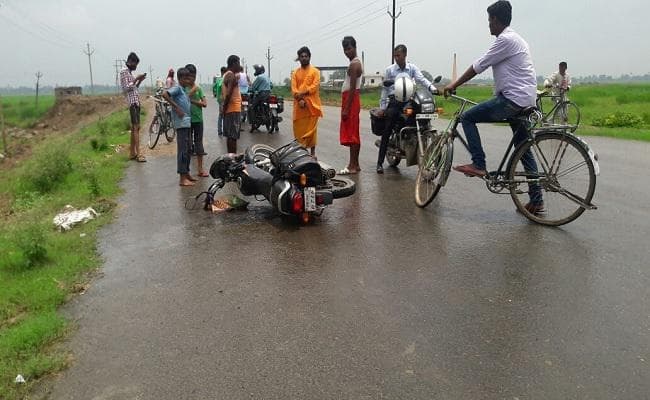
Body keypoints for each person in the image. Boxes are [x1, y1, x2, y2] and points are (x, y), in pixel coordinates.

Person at [443, 0, 543, 214]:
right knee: (523, 148)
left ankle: (478, 164)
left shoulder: (505, 39)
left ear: (496, 20)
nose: (488, 24)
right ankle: (536, 200)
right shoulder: (516, 39)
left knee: (467, 118)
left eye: (489, 20)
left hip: (512, 100)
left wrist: (453, 84)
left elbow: (479, 65)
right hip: (524, 100)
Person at [376, 44, 437, 173]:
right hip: (395, 100)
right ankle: (379, 163)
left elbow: (422, 80)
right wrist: (383, 107)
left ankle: (411, 139)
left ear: (405, 55)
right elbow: (385, 89)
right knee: (388, 128)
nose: (396, 58)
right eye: (395, 56)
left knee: (417, 117)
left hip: (408, 100)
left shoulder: (412, 68)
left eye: (398, 55)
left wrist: (433, 88)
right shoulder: (390, 70)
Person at [162, 67, 194, 186]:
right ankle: (182, 178)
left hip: (187, 123)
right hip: (181, 124)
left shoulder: (184, 90)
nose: (188, 81)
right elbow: (165, 94)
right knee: (183, 151)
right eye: (186, 78)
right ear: (180, 79)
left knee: (189, 149)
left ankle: (187, 173)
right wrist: (176, 107)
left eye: (189, 78)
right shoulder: (177, 88)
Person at [291, 46, 323, 157]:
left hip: (312, 106)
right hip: (299, 107)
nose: (304, 58)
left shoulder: (315, 72)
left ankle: (313, 154)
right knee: (299, 130)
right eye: (302, 56)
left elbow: (314, 86)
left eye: (306, 56)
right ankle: (302, 154)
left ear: (309, 57)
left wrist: (303, 94)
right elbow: (294, 89)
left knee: (312, 131)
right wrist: (299, 99)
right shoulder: (295, 73)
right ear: (299, 58)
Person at [338, 36, 363, 175]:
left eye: (349, 48)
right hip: (350, 99)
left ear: (355, 47)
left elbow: (352, 88)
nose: (347, 52)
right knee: (354, 132)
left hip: (351, 100)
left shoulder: (354, 64)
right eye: (345, 49)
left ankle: (352, 165)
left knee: (352, 133)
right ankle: (355, 164)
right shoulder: (355, 63)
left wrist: (346, 109)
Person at [119, 52, 147, 163]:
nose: (136, 67)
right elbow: (126, 88)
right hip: (132, 103)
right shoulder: (124, 71)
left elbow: (134, 88)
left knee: (135, 128)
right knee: (136, 127)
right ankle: (138, 154)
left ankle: (132, 153)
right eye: (135, 64)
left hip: (136, 102)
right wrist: (136, 79)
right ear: (130, 62)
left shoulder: (129, 72)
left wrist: (139, 80)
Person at [185, 64, 209, 177]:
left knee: (199, 143)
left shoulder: (198, 89)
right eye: (190, 76)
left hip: (198, 120)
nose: (192, 79)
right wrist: (191, 93)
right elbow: (183, 98)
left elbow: (205, 104)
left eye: (194, 76)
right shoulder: (184, 88)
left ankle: (200, 169)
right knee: (188, 145)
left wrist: (194, 101)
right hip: (187, 120)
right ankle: (187, 171)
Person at [221, 55, 242, 153]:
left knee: (230, 136)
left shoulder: (227, 75)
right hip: (233, 109)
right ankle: (233, 157)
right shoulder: (231, 76)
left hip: (231, 110)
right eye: (238, 63)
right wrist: (224, 108)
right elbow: (228, 94)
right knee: (233, 137)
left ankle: (231, 157)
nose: (239, 66)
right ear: (234, 63)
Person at [249, 64, 272, 132]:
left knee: (252, 107)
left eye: (256, 70)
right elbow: (271, 85)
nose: (255, 71)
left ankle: (253, 122)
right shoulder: (267, 77)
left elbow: (253, 87)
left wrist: (250, 90)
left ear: (258, 71)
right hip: (268, 94)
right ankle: (275, 124)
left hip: (261, 94)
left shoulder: (259, 77)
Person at [213, 66, 227, 136]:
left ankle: (220, 130)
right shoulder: (223, 80)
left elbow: (214, 87)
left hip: (219, 99)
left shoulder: (218, 80)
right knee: (223, 115)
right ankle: (222, 130)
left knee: (221, 115)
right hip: (223, 99)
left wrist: (215, 93)